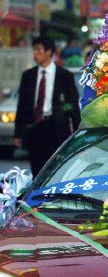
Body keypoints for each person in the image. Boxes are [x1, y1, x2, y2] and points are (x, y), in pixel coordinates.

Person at [14, 36, 81, 176]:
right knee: (37, 170)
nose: (35, 53)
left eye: (39, 50)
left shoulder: (65, 76)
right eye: (34, 50)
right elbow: (22, 106)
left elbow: (73, 105)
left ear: (49, 52)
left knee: (56, 170)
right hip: (35, 128)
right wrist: (18, 133)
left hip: (56, 128)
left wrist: (77, 133)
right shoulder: (28, 76)